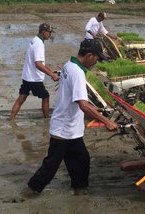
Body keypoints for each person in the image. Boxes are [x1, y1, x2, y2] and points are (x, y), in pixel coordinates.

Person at [25, 39, 118, 197]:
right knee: (50, 166)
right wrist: (107, 121)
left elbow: (74, 98)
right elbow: (82, 104)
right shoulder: (77, 72)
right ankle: (28, 193)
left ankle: (79, 191)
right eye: (97, 58)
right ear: (89, 55)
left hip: (71, 129)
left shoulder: (69, 65)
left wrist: (93, 108)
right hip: (63, 130)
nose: (97, 62)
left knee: (82, 161)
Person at [10, 23, 60, 120]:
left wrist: (52, 72)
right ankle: (46, 119)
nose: (50, 35)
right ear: (44, 32)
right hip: (34, 79)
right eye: (49, 33)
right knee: (45, 96)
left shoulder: (34, 40)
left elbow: (41, 63)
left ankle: (11, 118)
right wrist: (52, 75)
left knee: (22, 98)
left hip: (26, 76)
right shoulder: (39, 44)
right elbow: (38, 64)